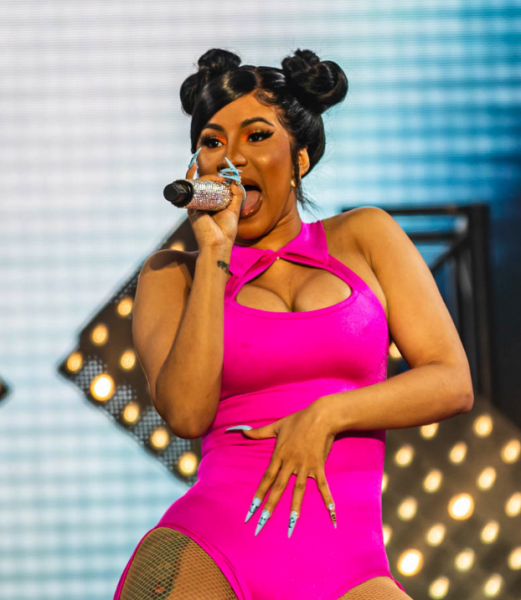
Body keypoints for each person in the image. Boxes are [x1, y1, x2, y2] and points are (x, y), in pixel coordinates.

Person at [113, 48, 474, 600]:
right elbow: (186, 414)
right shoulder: (172, 274)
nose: (232, 157)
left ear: (300, 157)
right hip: (211, 551)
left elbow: (451, 381)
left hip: (351, 569)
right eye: (212, 142)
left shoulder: (365, 236)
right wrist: (214, 256)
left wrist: (325, 415)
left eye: (257, 136)